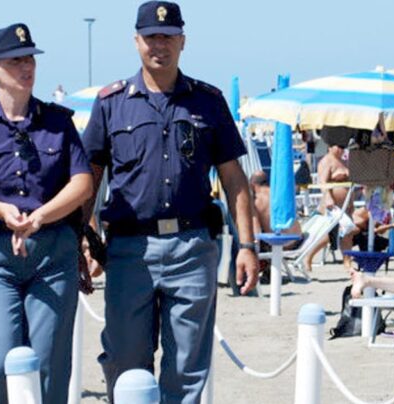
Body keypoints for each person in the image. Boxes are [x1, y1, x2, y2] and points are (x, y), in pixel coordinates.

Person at [80, 2, 259, 402]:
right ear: (136, 41)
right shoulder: (111, 102)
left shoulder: (209, 101)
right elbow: (88, 179)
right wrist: (83, 237)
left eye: (168, 37)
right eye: (151, 37)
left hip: (192, 248)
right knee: (125, 363)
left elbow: (234, 180)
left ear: (183, 41)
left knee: (186, 370)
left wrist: (247, 245)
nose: (159, 45)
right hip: (129, 250)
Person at [0, 23, 93, 403]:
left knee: (50, 362)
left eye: (30, 59)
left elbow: (82, 183)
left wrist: (40, 217)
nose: (26, 67)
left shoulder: (59, 122)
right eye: (16, 61)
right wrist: (0, 209)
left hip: (52, 255)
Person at [303, 143, 359, 270]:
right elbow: (322, 182)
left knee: (348, 233)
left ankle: (347, 261)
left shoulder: (344, 161)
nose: (341, 149)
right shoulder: (326, 161)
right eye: (338, 146)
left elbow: (350, 183)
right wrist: (328, 197)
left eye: (342, 147)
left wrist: (351, 202)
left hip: (346, 204)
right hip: (332, 204)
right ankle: (309, 256)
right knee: (328, 234)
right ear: (330, 147)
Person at [250, 170, 302, 248]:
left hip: (282, 244)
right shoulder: (278, 193)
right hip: (298, 237)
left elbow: (256, 229)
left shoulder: (256, 200)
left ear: (252, 185)